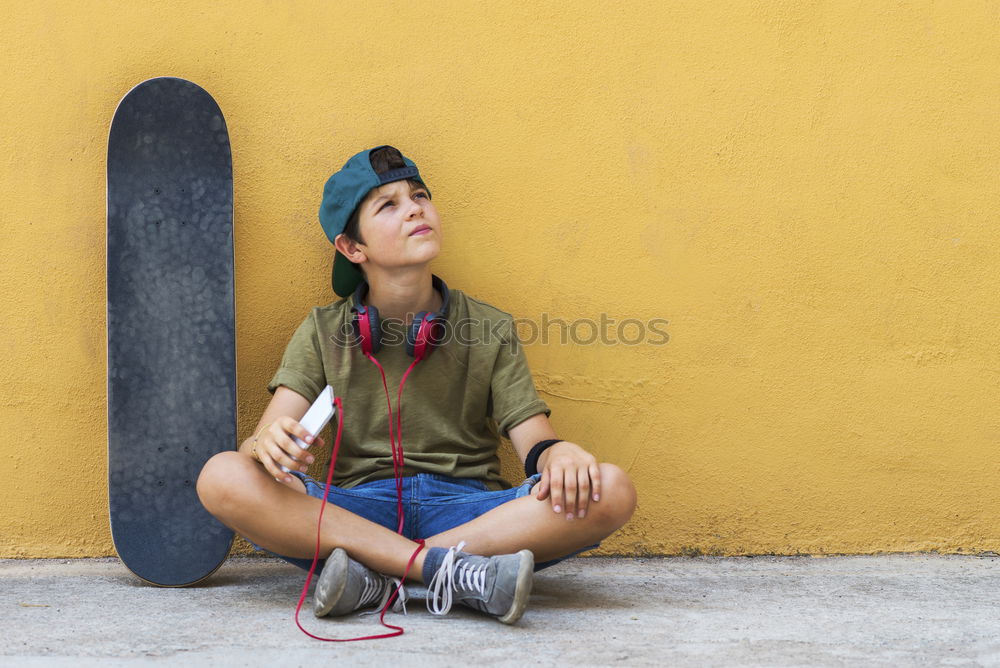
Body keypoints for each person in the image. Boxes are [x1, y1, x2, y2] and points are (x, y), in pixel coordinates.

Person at [196, 145, 638, 625]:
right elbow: (256, 452)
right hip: (358, 512)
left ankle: (379, 578)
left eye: (420, 195)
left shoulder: (489, 326)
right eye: (388, 205)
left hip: (472, 515)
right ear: (352, 248)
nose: (414, 208)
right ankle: (447, 572)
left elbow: (536, 444)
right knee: (222, 474)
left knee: (611, 489)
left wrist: (561, 455)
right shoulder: (323, 330)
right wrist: (267, 444)